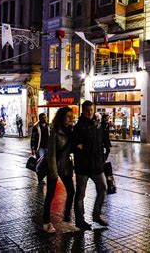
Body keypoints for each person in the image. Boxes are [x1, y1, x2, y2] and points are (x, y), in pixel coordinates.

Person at [73, 100, 108, 231]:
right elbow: (76, 146)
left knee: (103, 187)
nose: (90, 113)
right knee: (80, 194)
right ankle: (80, 220)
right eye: (87, 111)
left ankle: (96, 214)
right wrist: (84, 148)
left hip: (96, 165)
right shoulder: (79, 127)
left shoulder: (97, 125)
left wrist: (102, 157)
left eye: (92, 110)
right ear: (83, 111)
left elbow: (100, 143)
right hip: (83, 167)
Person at [42, 107, 76, 234]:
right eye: (68, 116)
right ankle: (46, 222)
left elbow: (70, 149)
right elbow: (51, 155)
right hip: (55, 167)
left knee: (71, 191)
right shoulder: (55, 132)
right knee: (50, 195)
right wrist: (54, 173)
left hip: (66, 166)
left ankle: (66, 220)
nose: (70, 119)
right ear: (62, 117)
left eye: (71, 116)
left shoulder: (70, 131)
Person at [30, 113, 50, 183]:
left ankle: (44, 176)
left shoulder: (48, 126)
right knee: (41, 163)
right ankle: (40, 178)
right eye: (43, 118)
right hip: (40, 147)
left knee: (47, 163)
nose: (45, 119)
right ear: (40, 119)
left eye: (45, 117)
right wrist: (33, 149)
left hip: (48, 147)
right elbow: (32, 138)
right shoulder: (36, 127)